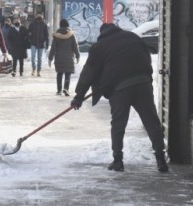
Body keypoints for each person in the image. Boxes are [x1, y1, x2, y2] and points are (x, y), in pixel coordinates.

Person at [70, 22, 169, 173]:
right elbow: (146, 57)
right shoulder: (133, 37)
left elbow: (88, 73)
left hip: (120, 88)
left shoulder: (100, 46)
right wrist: (145, 78)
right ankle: (161, 159)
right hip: (143, 84)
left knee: (118, 124)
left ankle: (118, 160)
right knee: (151, 121)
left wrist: (79, 96)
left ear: (102, 33)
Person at [48, 18, 80, 96]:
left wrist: (50, 58)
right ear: (68, 25)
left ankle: (59, 90)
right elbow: (75, 46)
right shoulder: (72, 35)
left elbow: (53, 48)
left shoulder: (56, 36)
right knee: (67, 74)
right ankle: (66, 88)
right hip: (69, 58)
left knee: (59, 74)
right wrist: (77, 56)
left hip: (59, 59)